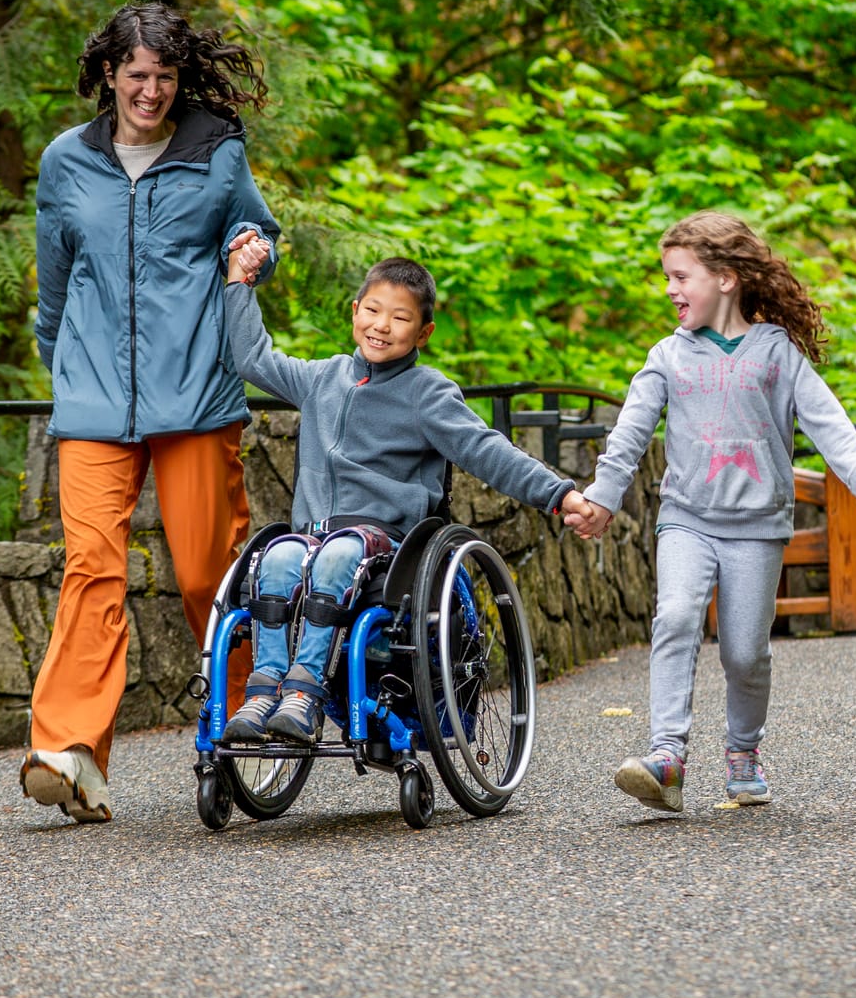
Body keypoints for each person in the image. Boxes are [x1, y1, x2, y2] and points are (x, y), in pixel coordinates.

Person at [18, 0, 281, 824]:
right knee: (91, 567)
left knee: (209, 572)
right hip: (93, 396)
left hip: (197, 393)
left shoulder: (216, 152)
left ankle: (250, 723)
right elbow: (55, 278)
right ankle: (70, 751)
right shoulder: (67, 162)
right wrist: (60, 360)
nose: (152, 91)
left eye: (165, 76)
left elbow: (255, 231)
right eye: (137, 75)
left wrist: (254, 252)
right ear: (109, 74)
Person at [566, 211, 856, 813]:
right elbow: (629, 436)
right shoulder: (667, 356)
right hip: (687, 518)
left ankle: (743, 751)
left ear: (724, 277)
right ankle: (666, 755)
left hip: (757, 527)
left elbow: (829, 423)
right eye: (666, 277)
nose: (669, 289)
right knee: (674, 618)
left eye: (680, 276)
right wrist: (601, 499)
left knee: (745, 653)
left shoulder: (777, 352)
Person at [218, 243, 593, 743]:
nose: (381, 325)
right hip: (312, 537)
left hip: (383, 543)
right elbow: (251, 356)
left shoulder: (427, 393)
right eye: (372, 310)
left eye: (399, 318)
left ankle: (304, 691)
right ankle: (265, 691)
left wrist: (559, 494)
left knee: (339, 554)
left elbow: (486, 450)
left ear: (423, 332)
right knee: (279, 553)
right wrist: (238, 284)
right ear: (355, 312)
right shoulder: (321, 379)